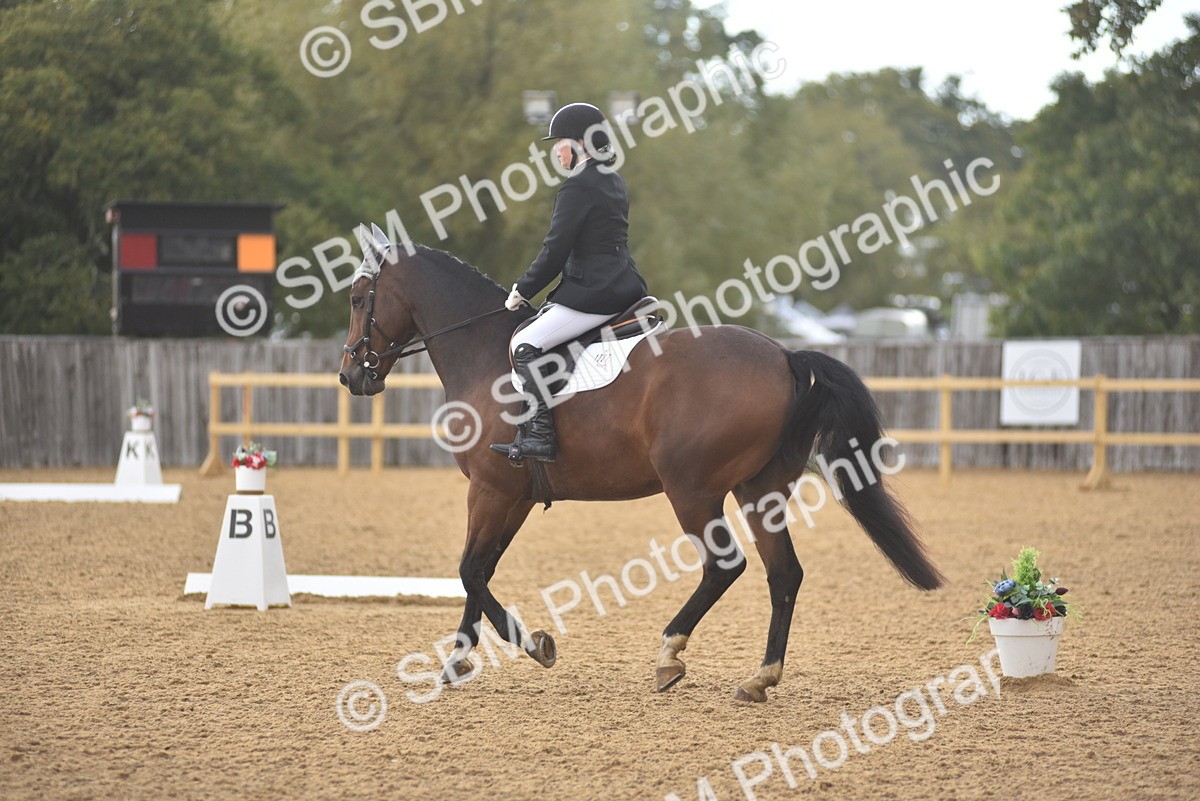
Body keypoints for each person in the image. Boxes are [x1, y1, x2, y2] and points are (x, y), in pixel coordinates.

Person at [490, 102, 648, 464]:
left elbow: (555, 249)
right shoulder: (613, 178)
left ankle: (540, 436)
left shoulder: (576, 187)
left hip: (593, 294)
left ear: (579, 143)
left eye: (558, 143)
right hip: (626, 285)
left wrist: (523, 289)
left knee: (525, 344)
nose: (555, 151)